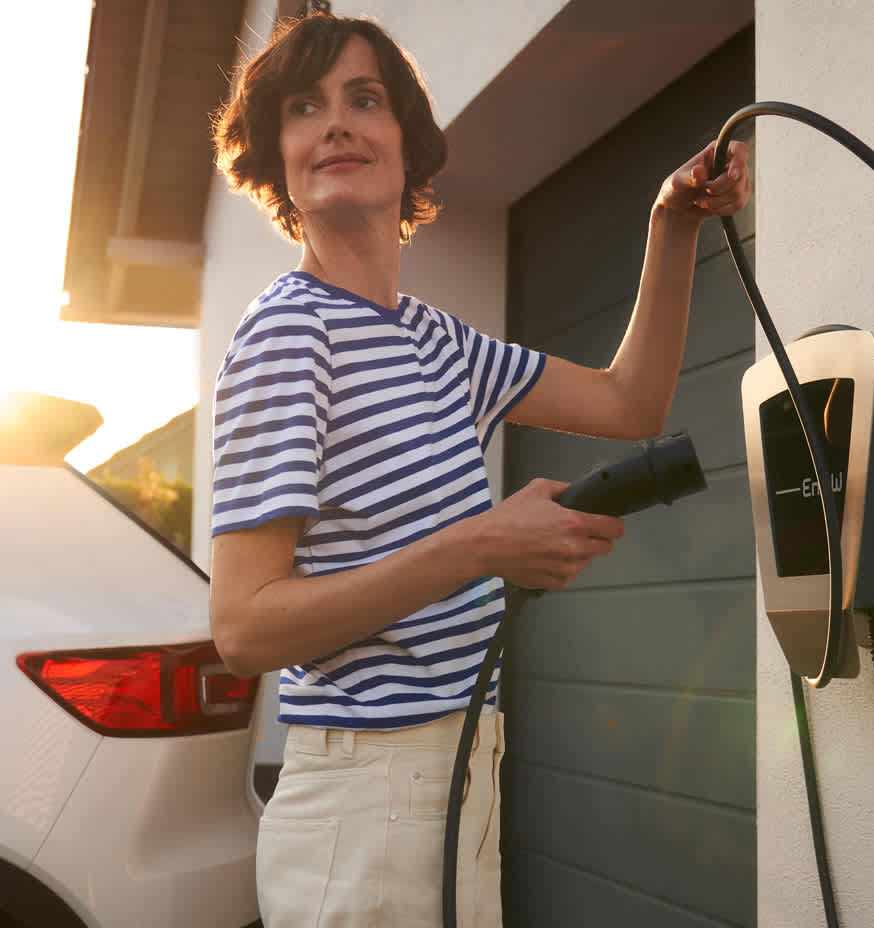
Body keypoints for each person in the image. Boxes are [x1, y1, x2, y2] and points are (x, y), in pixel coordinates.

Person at [207, 12, 750, 927]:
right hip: (363, 804)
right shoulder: (287, 334)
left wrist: (672, 224)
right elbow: (244, 630)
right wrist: (482, 545)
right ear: (278, 157)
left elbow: (630, 404)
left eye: (364, 99)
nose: (336, 122)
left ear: (410, 149)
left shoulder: (433, 339)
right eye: (305, 107)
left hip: (462, 776)